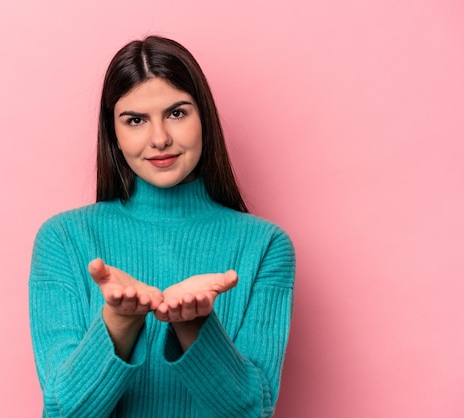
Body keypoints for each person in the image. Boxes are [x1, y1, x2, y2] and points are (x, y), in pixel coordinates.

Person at [29, 36, 295, 417]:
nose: (159, 139)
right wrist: (121, 320)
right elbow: (64, 412)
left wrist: (196, 325)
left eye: (177, 113)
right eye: (135, 120)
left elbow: (252, 411)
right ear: (114, 135)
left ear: (204, 117)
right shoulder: (64, 239)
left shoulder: (265, 245)